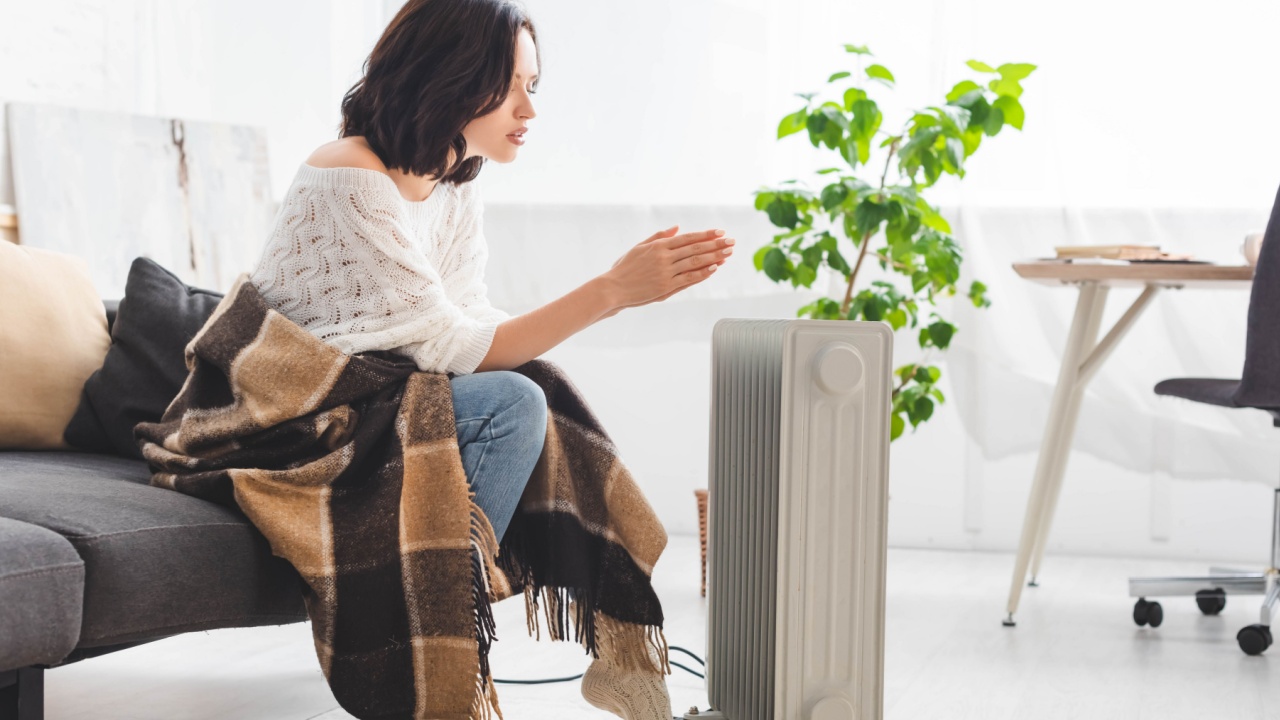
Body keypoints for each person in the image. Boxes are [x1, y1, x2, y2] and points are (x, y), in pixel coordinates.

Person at [245, 0, 735, 717]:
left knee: (536, 383)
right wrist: (611, 291)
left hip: (377, 403)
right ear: (445, 74)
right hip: (296, 414)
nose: (527, 110)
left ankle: (616, 654)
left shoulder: (453, 178)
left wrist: (595, 307)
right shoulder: (347, 173)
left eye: (532, 88)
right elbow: (452, 347)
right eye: (507, 86)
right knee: (515, 399)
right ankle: (438, 649)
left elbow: (466, 316)